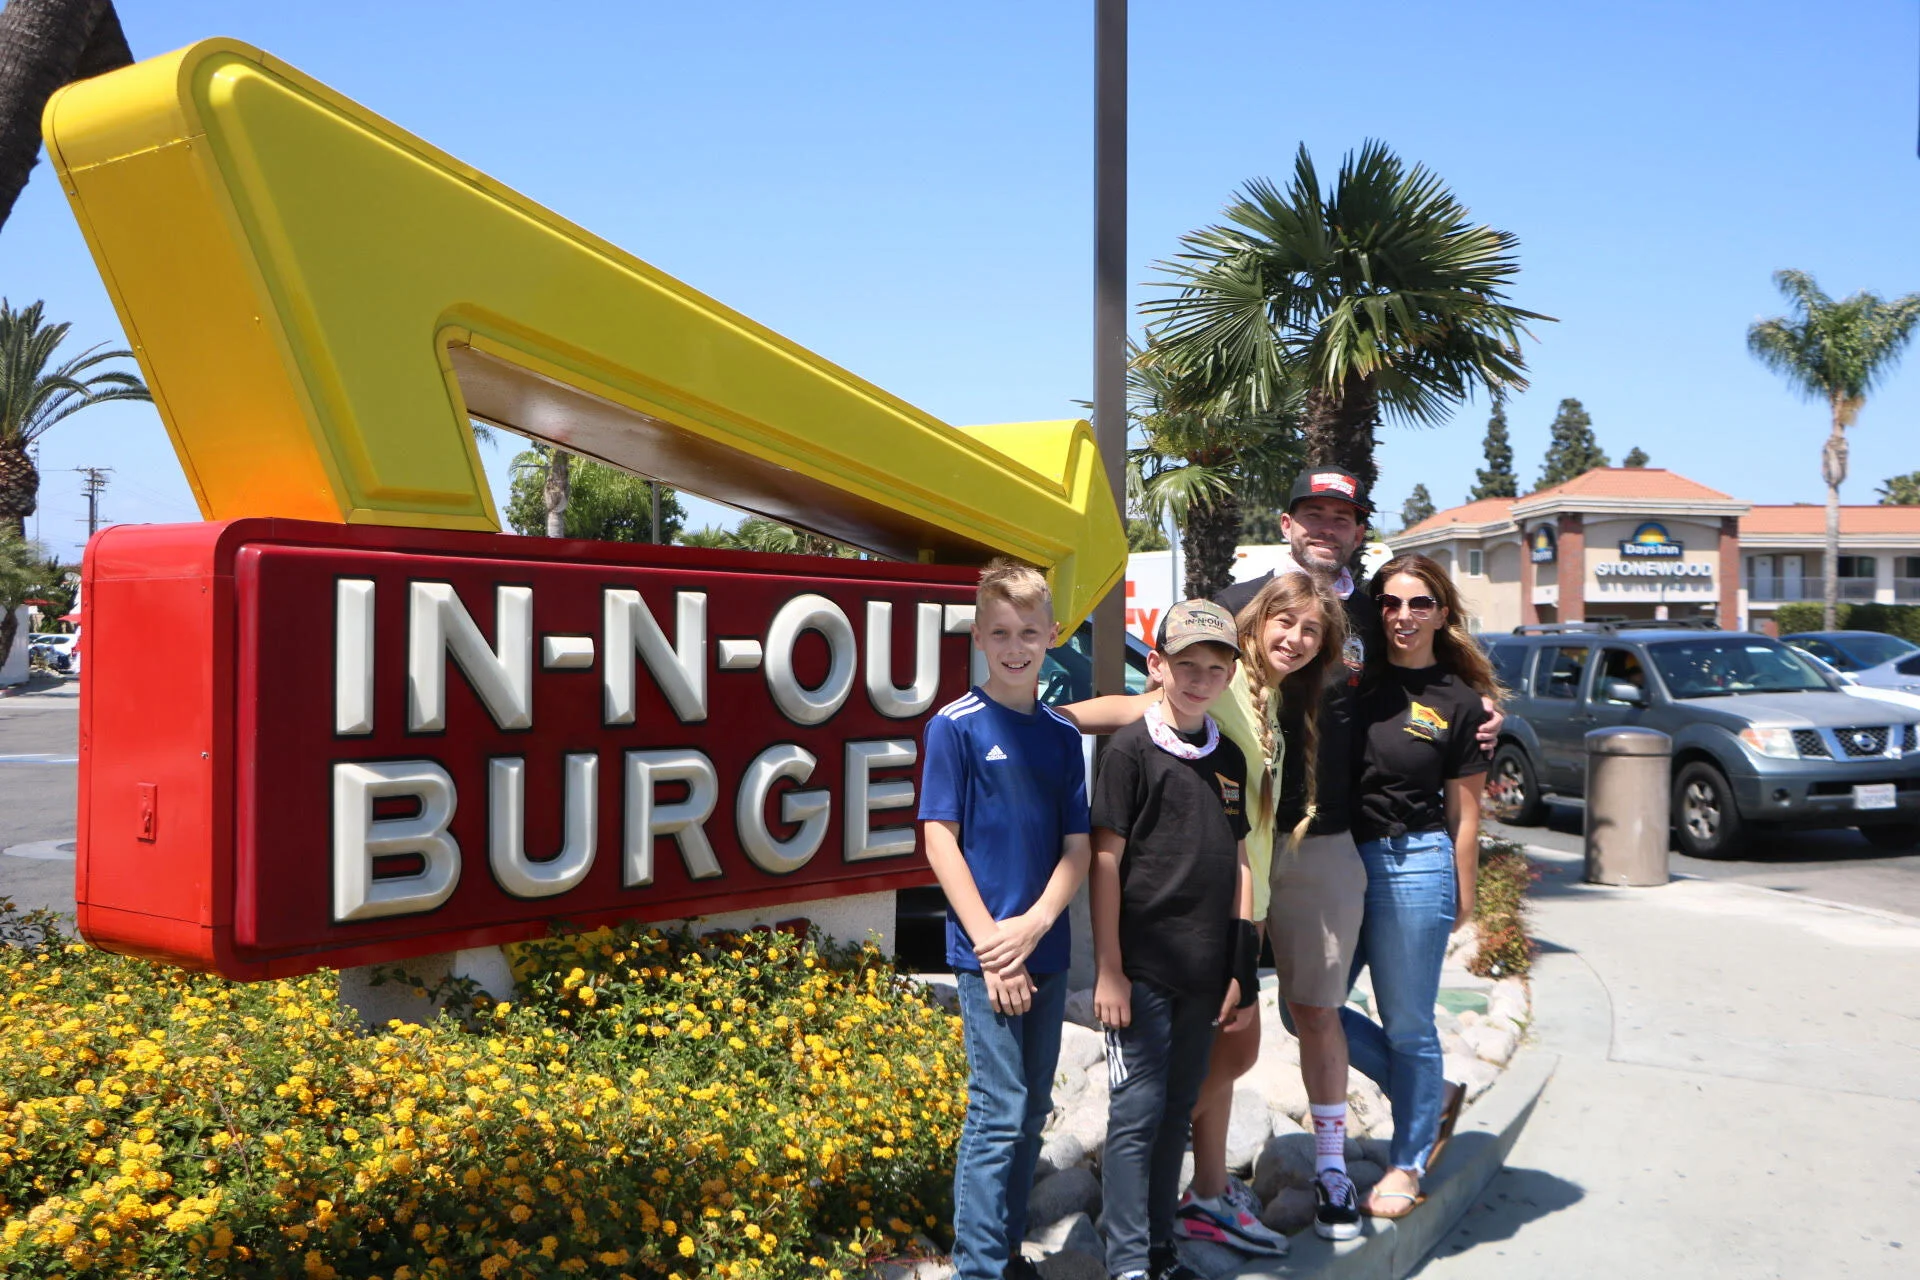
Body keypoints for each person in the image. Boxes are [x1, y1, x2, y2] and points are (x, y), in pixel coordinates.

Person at [1060, 571, 1341, 1254]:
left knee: (1222, 1047)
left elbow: (1248, 836)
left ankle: (1199, 1192)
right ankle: (1156, 1176)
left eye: (1310, 630)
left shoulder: (1270, 700)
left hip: (1244, 904)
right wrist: (1033, 717)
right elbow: (1130, 708)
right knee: (1223, 1054)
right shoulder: (1212, 699)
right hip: (1175, 927)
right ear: (1255, 624)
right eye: (1283, 623)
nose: (1296, 639)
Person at [920, 557, 1093, 1280]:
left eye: (1028, 630)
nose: (1015, 645)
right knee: (996, 1111)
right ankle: (979, 1267)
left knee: (1030, 1110)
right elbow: (939, 841)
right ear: (979, 639)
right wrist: (996, 944)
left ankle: (1010, 1251)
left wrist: (1035, 927)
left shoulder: (1058, 734)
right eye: (1000, 632)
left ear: (1052, 634)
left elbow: (1076, 849)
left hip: (1044, 949)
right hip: (985, 953)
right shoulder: (953, 727)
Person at [1089, 600, 1261, 1280]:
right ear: (1156, 666)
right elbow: (1105, 860)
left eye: (1214, 669)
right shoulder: (1130, 750)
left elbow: (1241, 863)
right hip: (1142, 970)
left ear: (1229, 678)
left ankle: (1160, 1251)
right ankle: (1127, 1262)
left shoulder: (1230, 757)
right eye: (1185, 665)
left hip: (1205, 971)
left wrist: (1241, 968)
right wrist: (1108, 969)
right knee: (1135, 1114)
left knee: (1175, 1113)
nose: (1198, 679)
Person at [1343, 552, 1499, 1219]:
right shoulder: (1354, 682)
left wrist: (1463, 893)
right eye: (1390, 603)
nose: (1402, 616)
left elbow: (1466, 813)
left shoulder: (1460, 703)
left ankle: (1406, 1161)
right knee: (1305, 1008)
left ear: (1442, 613)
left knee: (1407, 1023)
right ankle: (1429, 1095)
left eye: (1418, 604)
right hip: (1339, 862)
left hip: (1414, 865)